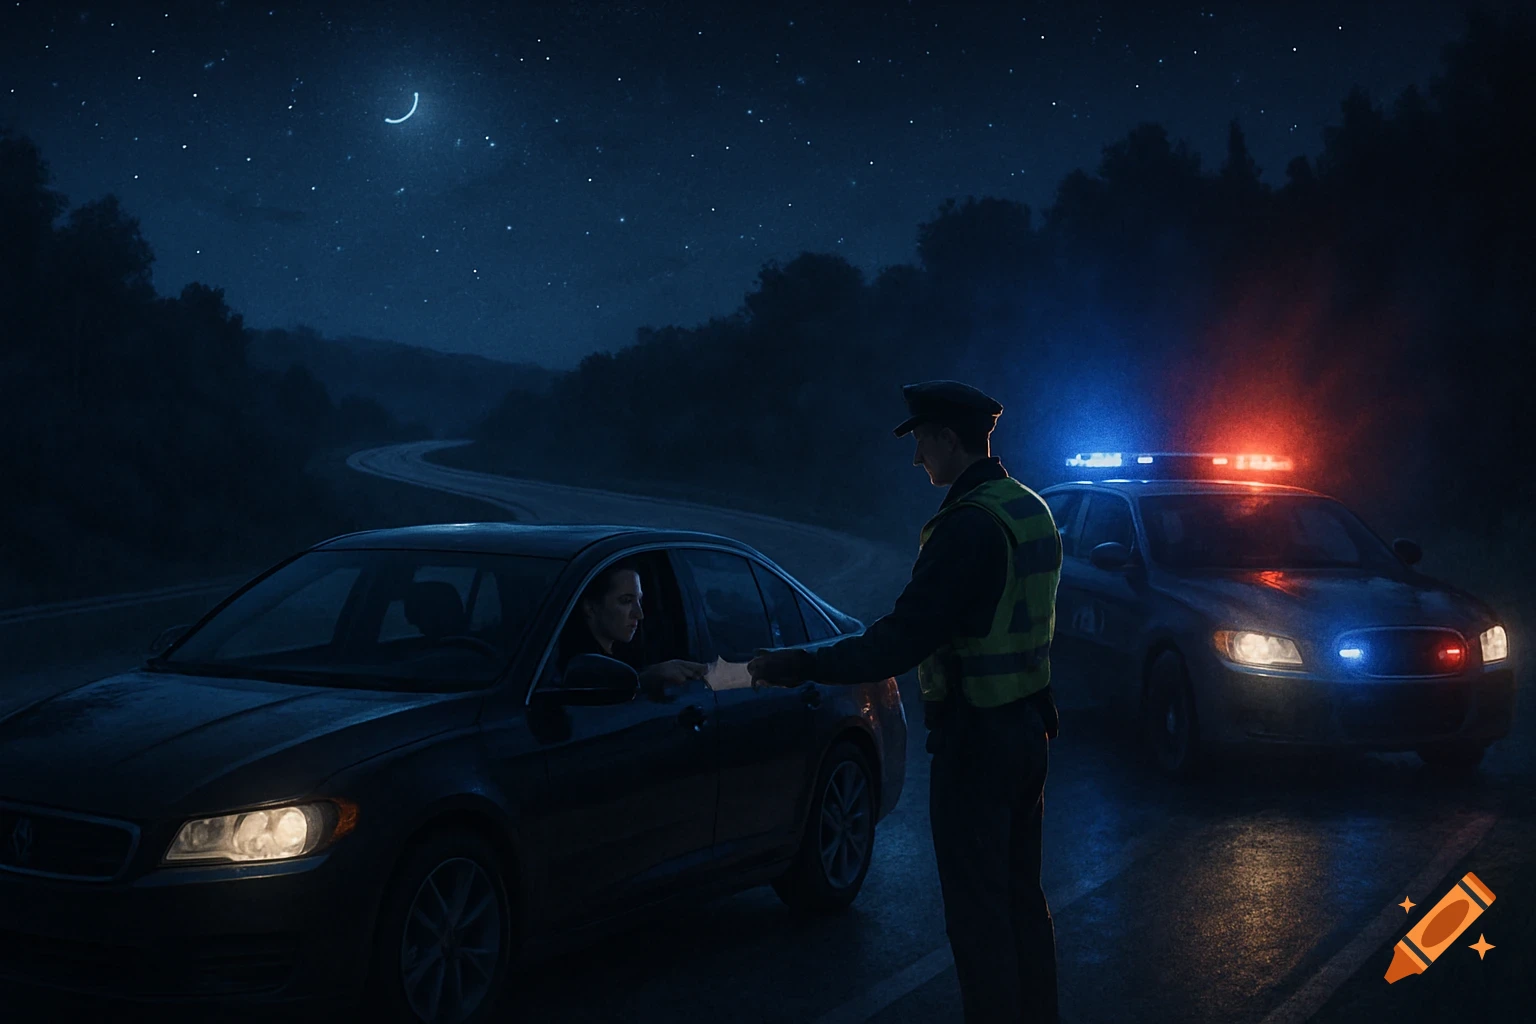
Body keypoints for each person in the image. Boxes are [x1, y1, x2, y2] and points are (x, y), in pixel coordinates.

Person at [749, 380, 1063, 1024]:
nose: (917, 456)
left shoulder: (968, 527)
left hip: (977, 743)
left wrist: (798, 666)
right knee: (1020, 900)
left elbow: (898, 642)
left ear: (948, 438)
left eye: (920, 440)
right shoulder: (1027, 507)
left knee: (978, 917)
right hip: (1029, 727)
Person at [559, 561, 708, 695]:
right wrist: (643, 680)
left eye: (639, 600)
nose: (639, 614)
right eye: (626, 601)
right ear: (590, 607)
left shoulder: (630, 652)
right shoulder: (573, 664)